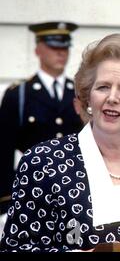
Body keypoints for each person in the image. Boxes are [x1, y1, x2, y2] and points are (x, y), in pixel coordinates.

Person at [0, 34, 120, 251]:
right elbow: (16, 248)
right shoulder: (44, 162)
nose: (112, 97)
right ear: (88, 95)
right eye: (103, 87)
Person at [0, 22, 84, 223]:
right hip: (31, 190)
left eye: (64, 48)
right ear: (38, 49)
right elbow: (3, 151)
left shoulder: (80, 93)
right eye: (54, 47)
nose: (61, 53)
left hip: (74, 189)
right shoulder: (19, 94)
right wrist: (6, 201)